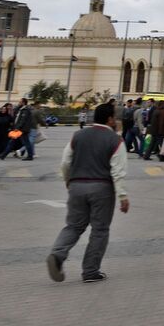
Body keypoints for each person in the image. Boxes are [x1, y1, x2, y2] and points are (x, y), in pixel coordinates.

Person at [46, 102, 130, 284]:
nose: (116, 120)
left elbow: (65, 162)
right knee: (100, 229)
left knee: (74, 226)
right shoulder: (116, 140)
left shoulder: (78, 135)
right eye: (114, 117)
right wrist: (122, 196)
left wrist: (69, 181)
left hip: (77, 186)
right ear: (109, 119)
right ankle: (90, 271)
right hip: (102, 188)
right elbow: (118, 171)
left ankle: (58, 254)